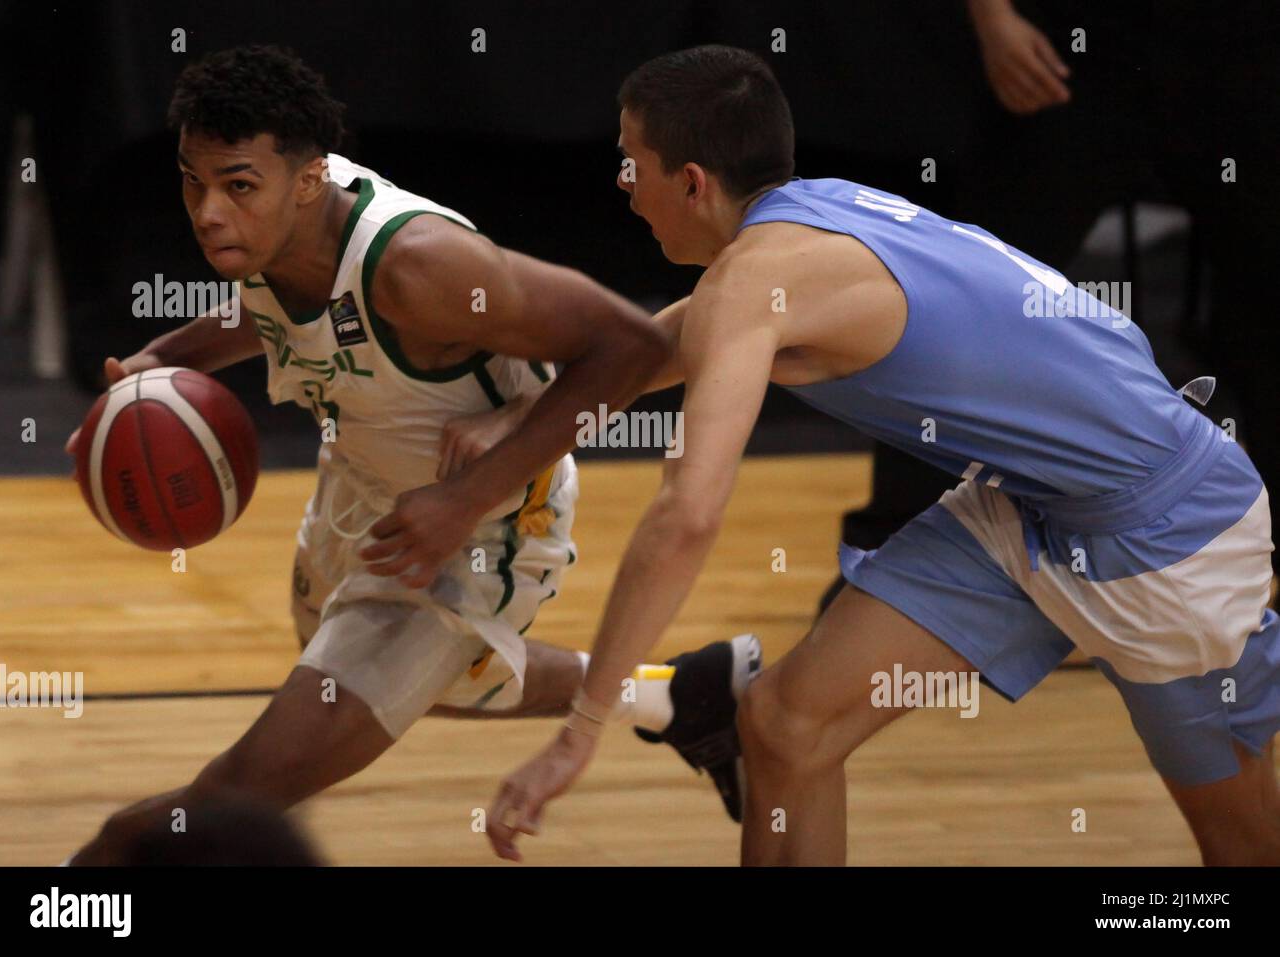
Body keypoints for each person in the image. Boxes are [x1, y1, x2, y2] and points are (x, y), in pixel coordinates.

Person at [482, 45, 1280, 866]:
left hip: (1167, 530)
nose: (622, 187)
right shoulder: (805, 219)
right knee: (784, 722)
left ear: (690, 182)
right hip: (1029, 505)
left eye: (629, 166)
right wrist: (507, 435)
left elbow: (686, 518)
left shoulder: (754, 279)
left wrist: (581, 727)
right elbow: (646, 353)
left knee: (1241, 846)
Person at [64, 45, 760, 865]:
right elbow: (271, 303)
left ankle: (80, 896)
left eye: (237, 186)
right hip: (365, 491)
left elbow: (633, 347)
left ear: (310, 180)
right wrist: (166, 359)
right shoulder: (275, 225)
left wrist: (472, 492)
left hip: (477, 527)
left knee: (235, 792)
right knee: (437, 683)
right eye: (193, 181)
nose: (208, 212)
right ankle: (682, 695)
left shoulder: (420, 267)